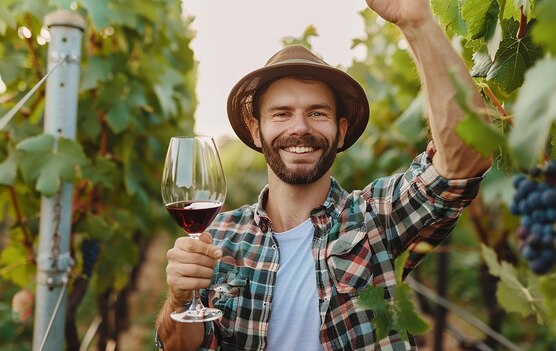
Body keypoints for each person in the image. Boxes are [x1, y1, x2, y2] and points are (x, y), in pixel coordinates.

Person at [155, 0, 492, 349]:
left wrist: (418, 23)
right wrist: (179, 302)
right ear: (256, 131)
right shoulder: (219, 238)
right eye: (282, 114)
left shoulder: (376, 220)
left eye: (317, 113)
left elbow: (466, 158)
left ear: (341, 131)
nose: (299, 128)